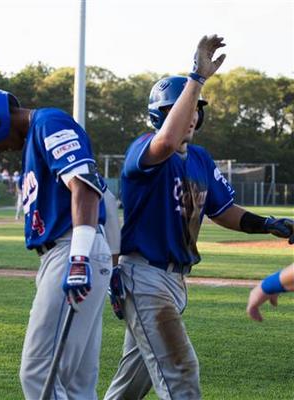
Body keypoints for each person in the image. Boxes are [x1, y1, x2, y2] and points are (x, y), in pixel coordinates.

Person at [105, 35, 294, 400]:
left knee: (131, 385)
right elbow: (165, 143)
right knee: (181, 373)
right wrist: (197, 77)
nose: (191, 114)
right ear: (161, 114)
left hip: (174, 282)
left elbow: (223, 211)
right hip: (144, 277)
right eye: (180, 107)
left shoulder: (201, 159)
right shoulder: (143, 150)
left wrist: (268, 223)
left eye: (194, 108)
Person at [0, 88, 116, 399]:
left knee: (38, 370)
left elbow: (85, 188)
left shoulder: (49, 122)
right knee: (76, 382)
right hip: (75, 250)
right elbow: (105, 197)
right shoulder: (36, 138)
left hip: (71, 247)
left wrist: (80, 257)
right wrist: (111, 261)